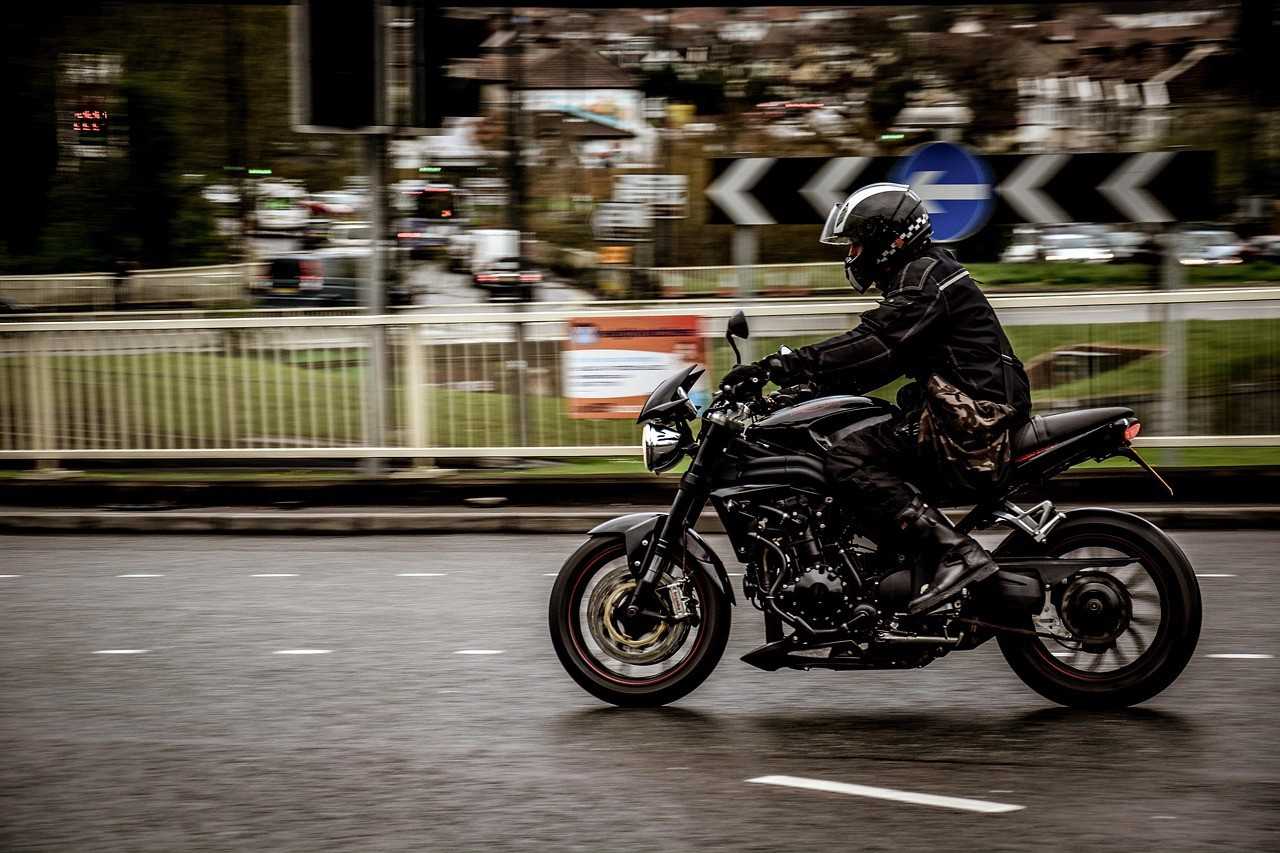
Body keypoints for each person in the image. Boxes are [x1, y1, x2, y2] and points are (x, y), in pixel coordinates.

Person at [722, 184, 1031, 614]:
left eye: (857, 243)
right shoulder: (925, 273)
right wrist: (797, 393)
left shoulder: (924, 281)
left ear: (889, 240)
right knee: (849, 435)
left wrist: (779, 366)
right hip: (964, 409)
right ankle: (892, 563)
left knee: (849, 458)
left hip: (975, 417)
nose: (852, 253)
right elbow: (877, 366)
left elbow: (875, 343)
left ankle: (954, 552)